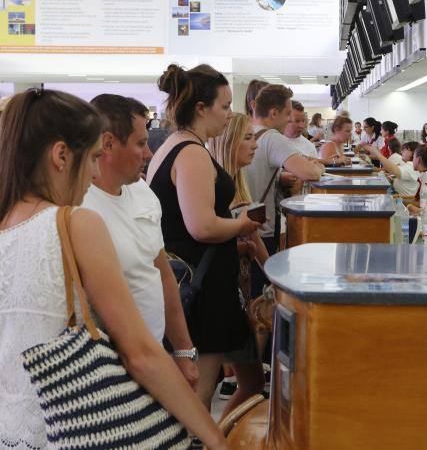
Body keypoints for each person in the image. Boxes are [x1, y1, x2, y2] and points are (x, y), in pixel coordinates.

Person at [0, 88, 226, 449]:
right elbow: (140, 353)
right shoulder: (76, 223)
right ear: (61, 156)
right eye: (91, 158)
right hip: (77, 428)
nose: (92, 173)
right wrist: (214, 437)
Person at [147, 64, 261, 412]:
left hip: (200, 278)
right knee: (199, 393)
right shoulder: (192, 152)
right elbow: (203, 227)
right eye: (224, 107)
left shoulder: (177, 146)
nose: (229, 115)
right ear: (201, 108)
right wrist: (241, 225)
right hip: (202, 287)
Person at [85, 93, 199, 391]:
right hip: (103, 367)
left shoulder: (143, 194)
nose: (148, 153)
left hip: (152, 354)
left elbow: (161, 273)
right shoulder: (78, 207)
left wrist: (184, 350)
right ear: (108, 144)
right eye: (139, 143)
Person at [208, 112, 268, 412]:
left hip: (233, 296)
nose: (255, 145)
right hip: (220, 298)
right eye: (247, 138)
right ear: (228, 142)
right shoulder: (217, 187)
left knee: (252, 382)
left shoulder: (236, 184)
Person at [243, 82, 324, 294]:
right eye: (288, 113)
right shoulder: (271, 137)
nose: (290, 119)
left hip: (240, 226)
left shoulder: (245, 132)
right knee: (261, 293)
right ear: (273, 112)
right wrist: (318, 167)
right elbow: (310, 173)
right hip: (262, 228)